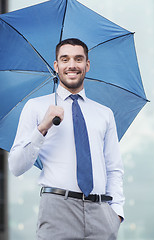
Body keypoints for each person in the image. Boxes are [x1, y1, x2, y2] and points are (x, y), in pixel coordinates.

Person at [8, 38, 125, 240]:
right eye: (65, 59)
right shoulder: (36, 107)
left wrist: (117, 213)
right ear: (57, 66)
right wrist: (43, 127)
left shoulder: (104, 113)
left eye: (78, 59)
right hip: (57, 210)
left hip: (101, 213)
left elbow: (113, 167)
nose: (72, 65)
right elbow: (16, 166)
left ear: (87, 65)